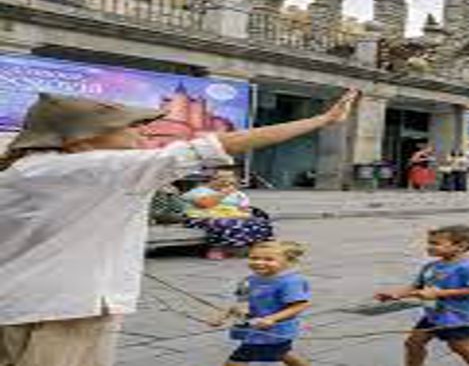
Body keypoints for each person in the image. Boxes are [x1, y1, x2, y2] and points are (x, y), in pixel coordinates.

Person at [0, 89, 358, 366]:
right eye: (131, 126)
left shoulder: (41, 168)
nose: (144, 133)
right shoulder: (83, 169)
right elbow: (210, 148)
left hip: (41, 303)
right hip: (60, 310)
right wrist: (321, 121)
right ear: (81, 139)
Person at [374, 225, 469, 366]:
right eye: (429, 242)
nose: (429, 247)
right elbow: (417, 286)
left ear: (461, 246)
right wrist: (396, 294)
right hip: (433, 314)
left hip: (458, 316)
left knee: (460, 347)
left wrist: (439, 293)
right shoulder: (431, 266)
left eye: (435, 244)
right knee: (413, 343)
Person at [210, 241, 310, 366]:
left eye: (269, 259)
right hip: (255, 329)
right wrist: (222, 316)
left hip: (273, 332)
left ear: (287, 262)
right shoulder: (249, 280)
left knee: (235, 362)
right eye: (254, 258)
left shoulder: (289, 282)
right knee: (282, 353)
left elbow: (299, 305)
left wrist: (271, 319)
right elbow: (241, 302)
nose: (259, 262)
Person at [182, 170, 273, 260]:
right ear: (211, 180)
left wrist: (244, 211)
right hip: (201, 217)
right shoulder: (198, 191)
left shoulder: (237, 194)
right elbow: (205, 204)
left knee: (259, 221)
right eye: (222, 179)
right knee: (225, 223)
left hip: (230, 215)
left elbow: (243, 207)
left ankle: (256, 248)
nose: (227, 182)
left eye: (231, 179)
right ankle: (218, 249)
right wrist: (224, 193)